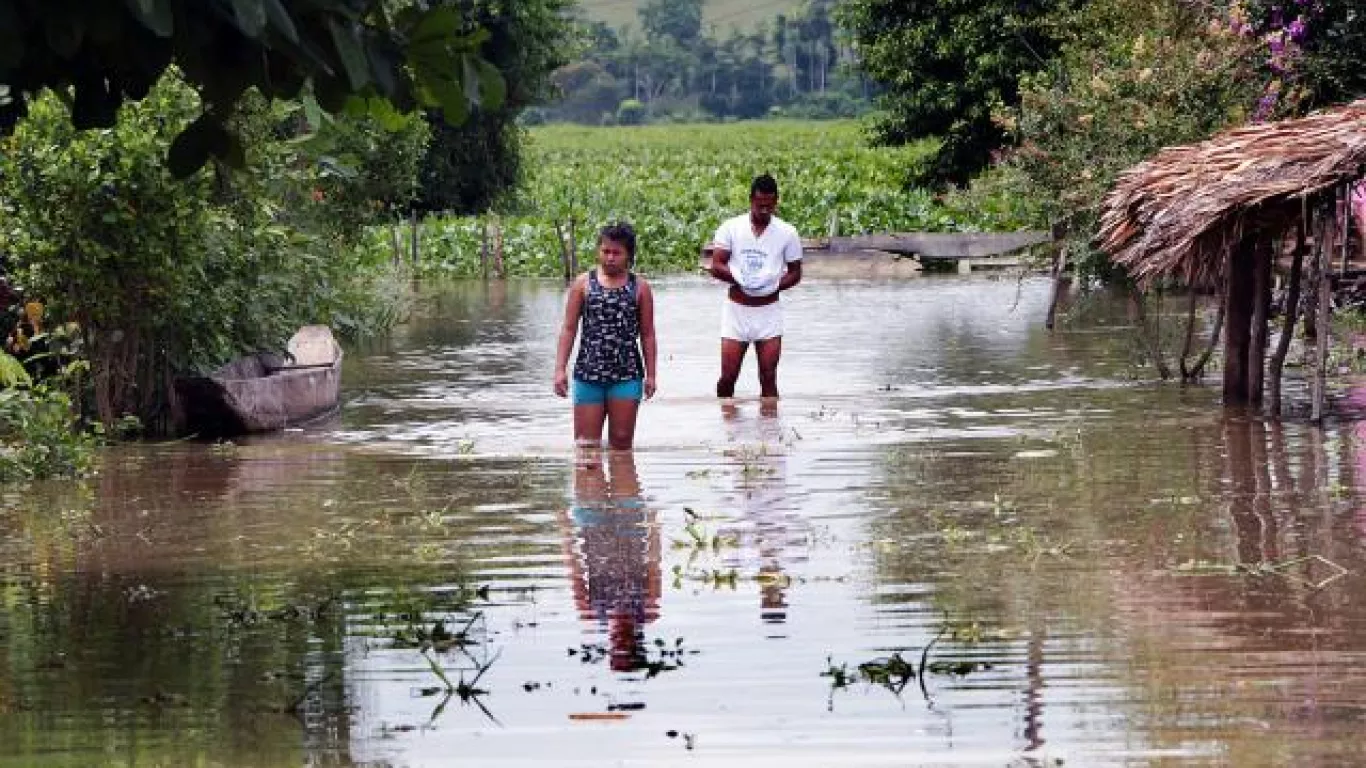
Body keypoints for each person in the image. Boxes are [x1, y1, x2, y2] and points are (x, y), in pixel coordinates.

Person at [554, 222, 657, 450]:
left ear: (629, 255)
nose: (610, 257)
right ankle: (591, 486)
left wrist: (651, 375)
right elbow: (569, 329)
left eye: (616, 252)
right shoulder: (583, 284)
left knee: (621, 445)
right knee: (586, 446)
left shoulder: (640, 288)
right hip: (588, 374)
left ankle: (623, 484)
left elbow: (648, 334)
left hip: (626, 375)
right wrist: (560, 369)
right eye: (605, 251)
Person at [705, 173, 803, 399]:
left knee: (768, 375)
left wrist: (774, 285)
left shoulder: (787, 233)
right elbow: (717, 265)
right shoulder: (731, 228)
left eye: (770, 206)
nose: (765, 211)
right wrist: (739, 278)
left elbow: (795, 273)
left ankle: (769, 427)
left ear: (776, 202)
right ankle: (725, 422)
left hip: (769, 313)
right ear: (751, 200)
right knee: (728, 376)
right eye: (760, 206)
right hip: (736, 311)